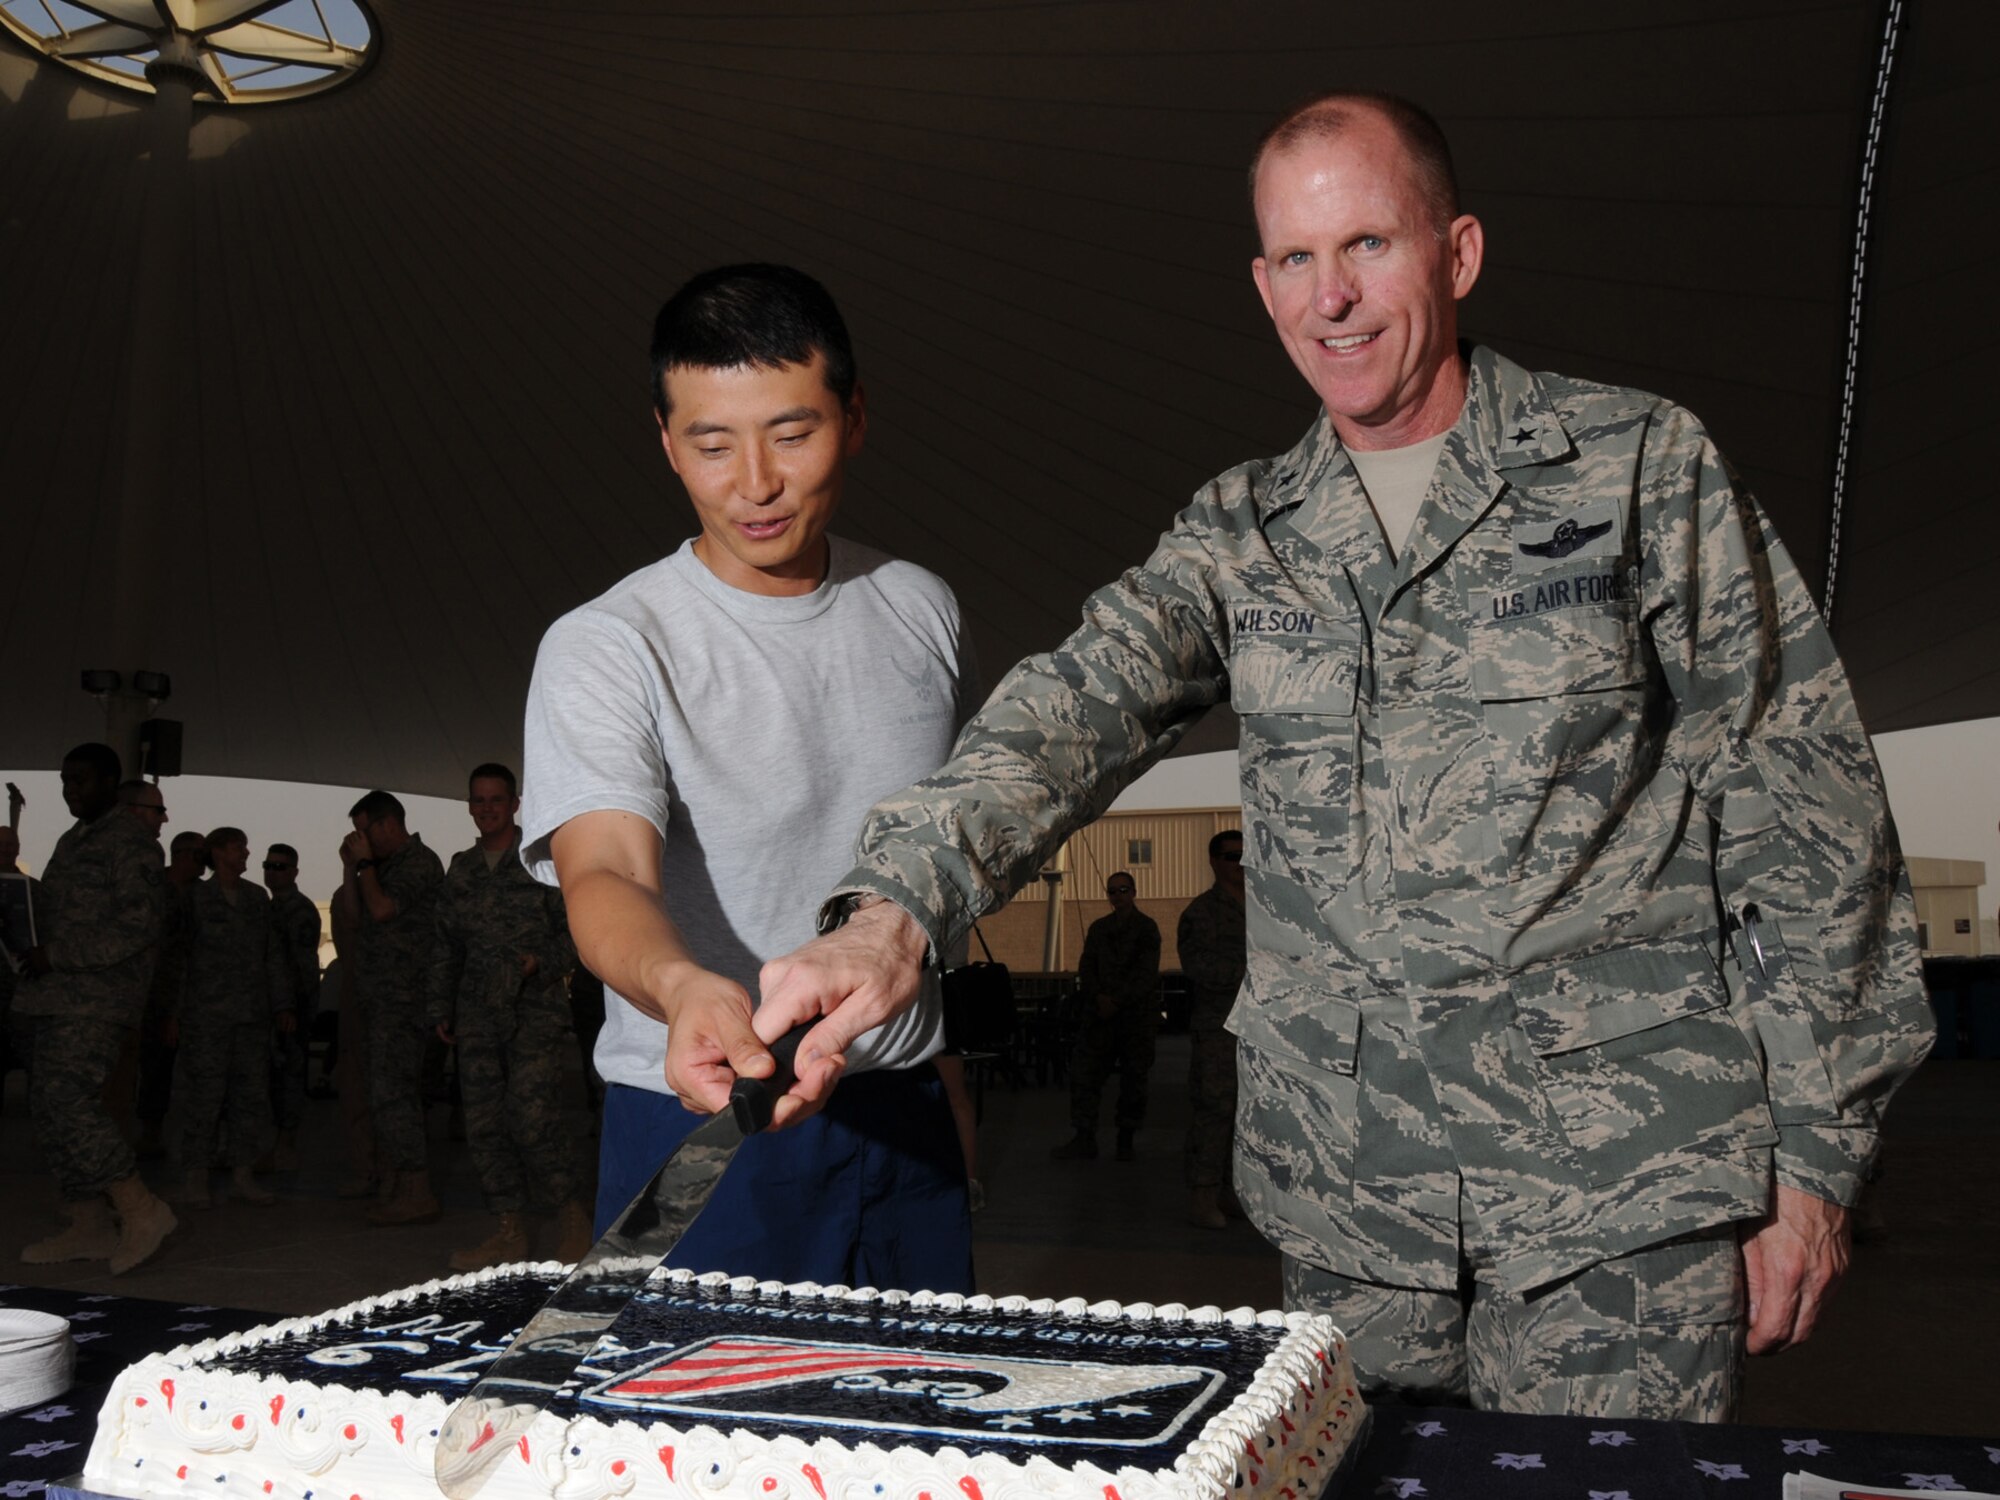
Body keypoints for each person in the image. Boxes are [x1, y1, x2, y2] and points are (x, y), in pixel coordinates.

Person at [748, 93, 1935, 1419]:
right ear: (1263, 287)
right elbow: (1069, 709)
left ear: (1457, 252)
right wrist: (892, 903)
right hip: (1353, 1215)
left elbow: (1808, 802)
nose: (1335, 298)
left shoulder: (1637, 470)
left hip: (1623, 1211)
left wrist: (1821, 1162)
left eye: (1369, 244)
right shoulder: (1241, 533)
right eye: (1297, 261)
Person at [520, 262, 979, 1290]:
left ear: (853, 418)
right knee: (690, 1437)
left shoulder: (920, 608)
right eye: (710, 443)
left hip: (902, 1111)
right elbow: (604, 874)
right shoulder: (609, 643)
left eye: (791, 432)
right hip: (703, 1113)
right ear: (666, 441)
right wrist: (678, 986)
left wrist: (942, 1080)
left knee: (919, 1428)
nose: (755, 483)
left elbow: (927, 868)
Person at [13, 743, 177, 1273]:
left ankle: (140, 1209)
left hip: (97, 998)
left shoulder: (131, 843)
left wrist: (55, 954)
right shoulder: (73, 839)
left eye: (80, 780)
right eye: (65, 780)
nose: (70, 790)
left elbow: (137, 926)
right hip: (56, 996)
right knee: (48, 1106)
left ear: (110, 782)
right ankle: (87, 1222)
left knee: (69, 1100)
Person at [431, 762, 591, 1270]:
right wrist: (439, 1006)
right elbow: (444, 945)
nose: (486, 809)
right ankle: (509, 1230)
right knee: (484, 1125)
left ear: (515, 804)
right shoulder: (461, 869)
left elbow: (580, 932)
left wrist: (541, 962)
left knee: (533, 1118)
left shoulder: (542, 863)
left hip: (533, 1013)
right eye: (478, 800)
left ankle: (571, 1218)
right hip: (475, 1015)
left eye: (495, 800)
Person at [169, 827, 294, 1207]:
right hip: (206, 1017)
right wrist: (173, 1015)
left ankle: (243, 1174)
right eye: (239, 847)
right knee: (204, 1097)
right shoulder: (195, 899)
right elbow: (179, 961)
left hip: (251, 1017)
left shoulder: (256, 899)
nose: (245, 853)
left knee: (249, 1097)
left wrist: (281, 1005)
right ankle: (196, 1177)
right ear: (219, 852)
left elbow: (272, 955)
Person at [337, 789, 445, 1224]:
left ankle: (416, 1190)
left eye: (364, 832)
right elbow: (353, 916)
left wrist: (364, 866)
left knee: (397, 1094)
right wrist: (352, 868)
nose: (361, 840)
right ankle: (398, 1184)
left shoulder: (419, 862)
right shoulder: (376, 869)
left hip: (406, 1000)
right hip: (379, 998)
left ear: (387, 825)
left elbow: (381, 910)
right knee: (383, 1094)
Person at [1051, 873, 1161, 1162]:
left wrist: (1118, 1000)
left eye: (1123, 890)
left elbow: (1145, 973)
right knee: (1085, 1075)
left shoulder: (1147, 928)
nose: (1118, 895)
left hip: (1134, 1019)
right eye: (1112, 891)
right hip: (1099, 1017)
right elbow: (1087, 967)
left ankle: (1126, 1140)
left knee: (1133, 1081)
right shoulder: (1099, 929)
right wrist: (1099, 997)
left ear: (1133, 892)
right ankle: (1084, 1136)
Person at [1179, 828, 1246, 1228]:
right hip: (1219, 1027)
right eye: (1229, 856)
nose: (1237, 863)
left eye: (1243, 855)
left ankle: (1230, 1190)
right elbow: (1198, 967)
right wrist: (1253, 975)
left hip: (1257, 1028)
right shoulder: (1201, 912)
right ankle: (1203, 1194)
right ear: (1213, 861)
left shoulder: (1265, 907)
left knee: (1245, 1114)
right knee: (1214, 1111)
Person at [135, 830, 208, 1158]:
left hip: (194, 996)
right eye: (200, 856)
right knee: (151, 1069)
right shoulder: (152, 890)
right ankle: (147, 1133)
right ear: (184, 855)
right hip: (149, 995)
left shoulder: (203, 896)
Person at [262, 843, 321, 1170]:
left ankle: (285, 1146)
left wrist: (292, 1010)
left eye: (280, 866)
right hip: (270, 1007)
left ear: (294, 872)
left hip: (292, 1008)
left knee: (289, 1076)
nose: (273, 872)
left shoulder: (299, 911)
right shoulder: (269, 909)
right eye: (268, 865)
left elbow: (302, 966)